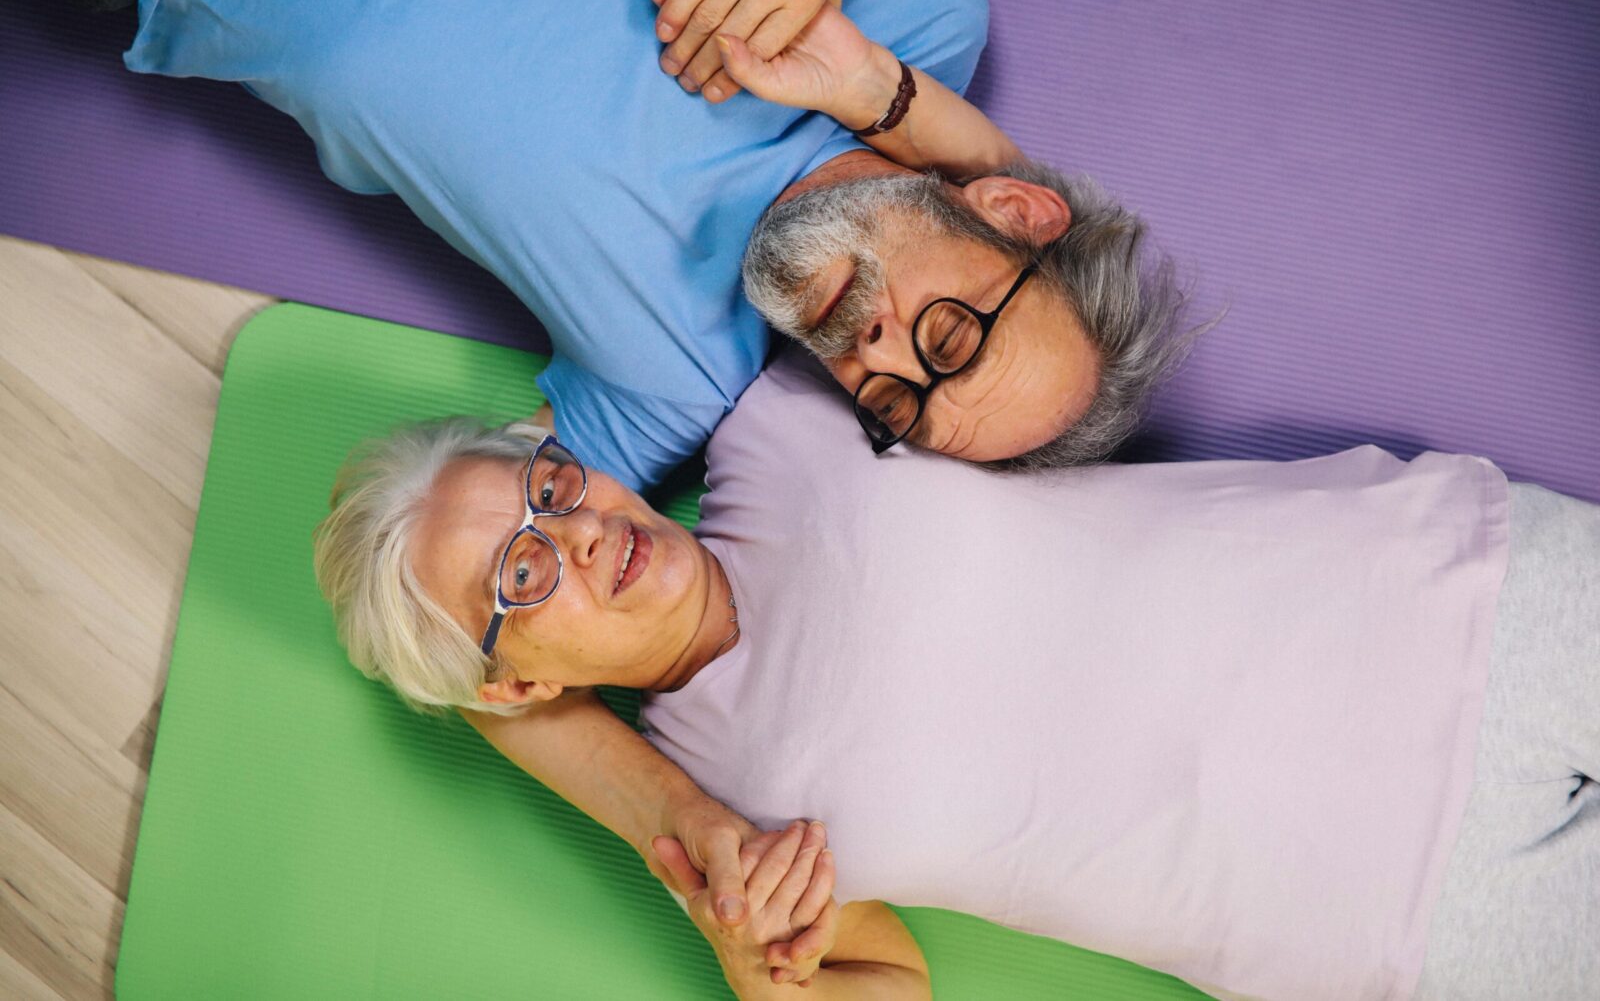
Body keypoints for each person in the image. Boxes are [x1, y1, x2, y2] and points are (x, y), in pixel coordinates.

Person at [314, 347, 1598, 1000]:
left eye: (547, 486)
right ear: (514, 685)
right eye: (521, 573)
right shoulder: (740, 841)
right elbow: (892, 987)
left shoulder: (777, 421)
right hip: (1410, 923)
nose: (582, 534)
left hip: (1457, 598)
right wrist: (757, 972)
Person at [106, 0, 1186, 489]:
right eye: (947, 338)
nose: (875, 357)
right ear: (1012, 208)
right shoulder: (928, 11)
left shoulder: (672, 382)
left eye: (897, 408)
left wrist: (673, 808)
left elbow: (467, 592)